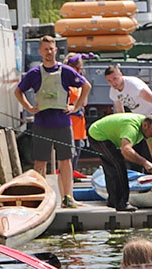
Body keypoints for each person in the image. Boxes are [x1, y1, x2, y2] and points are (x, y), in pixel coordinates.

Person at [14, 35, 90, 210]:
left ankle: (68, 198)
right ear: (40, 52)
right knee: (40, 162)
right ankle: (38, 197)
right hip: (41, 123)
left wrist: (75, 107)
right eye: (45, 49)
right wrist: (28, 107)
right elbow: (18, 92)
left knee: (66, 161)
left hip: (63, 123)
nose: (49, 52)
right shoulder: (33, 74)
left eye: (51, 49)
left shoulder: (66, 71)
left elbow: (86, 86)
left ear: (56, 50)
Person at [87, 112, 152, 212]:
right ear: (145, 125)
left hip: (107, 135)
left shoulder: (150, 129)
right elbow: (126, 150)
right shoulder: (131, 128)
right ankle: (122, 203)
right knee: (118, 164)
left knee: (111, 168)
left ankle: (113, 201)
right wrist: (145, 163)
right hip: (98, 135)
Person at [65, 52, 88, 188]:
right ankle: (66, 176)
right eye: (77, 68)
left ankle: (72, 173)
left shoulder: (79, 82)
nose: (79, 71)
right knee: (69, 150)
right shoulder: (65, 81)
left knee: (77, 149)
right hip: (69, 120)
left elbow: (84, 101)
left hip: (79, 120)